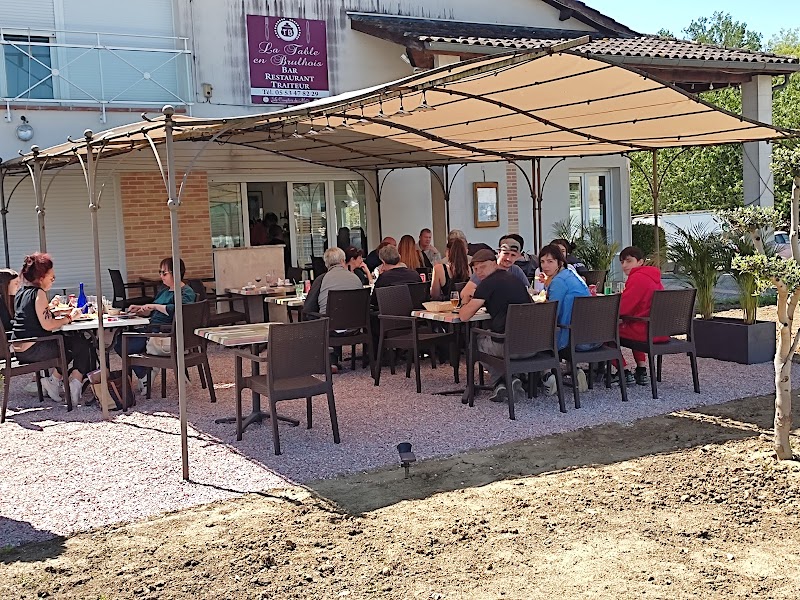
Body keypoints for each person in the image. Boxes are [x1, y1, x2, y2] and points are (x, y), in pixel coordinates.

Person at [11, 253, 91, 405]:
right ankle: (75, 383)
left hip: (20, 349)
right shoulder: (39, 293)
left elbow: (33, 316)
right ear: (41, 277)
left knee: (73, 342)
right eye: (52, 278)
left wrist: (59, 312)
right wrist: (70, 317)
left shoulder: (22, 292)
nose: (53, 281)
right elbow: (47, 325)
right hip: (35, 349)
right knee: (81, 344)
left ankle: (55, 382)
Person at [458, 249, 530, 404]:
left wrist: (465, 300)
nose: (478, 273)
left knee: (476, 342)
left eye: (482, 267)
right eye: (475, 269)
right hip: (533, 345)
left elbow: (464, 316)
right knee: (492, 334)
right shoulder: (515, 279)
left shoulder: (488, 284)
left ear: (494, 263)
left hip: (509, 346)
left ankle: (500, 383)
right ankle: (510, 379)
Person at [115, 257, 196, 388]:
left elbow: (179, 310)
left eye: (164, 273)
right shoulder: (164, 290)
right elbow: (153, 310)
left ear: (176, 272)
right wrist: (140, 310)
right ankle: (145, 374)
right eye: (160, 272)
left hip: (165, 334)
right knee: (119, 341)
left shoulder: (185, 292)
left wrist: (154, 306)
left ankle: (145, 374)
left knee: (123, 344)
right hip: (153, 329)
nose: (161, 276)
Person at [539, 244, 593, 394]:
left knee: (539, 335)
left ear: (559, 262)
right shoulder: (571, 274)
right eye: (542, 262)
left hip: (572, 338)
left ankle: (548, 376)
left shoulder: (558, 282)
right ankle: (574, 371)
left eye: (550, 261)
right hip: (590, 335)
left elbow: (551, 313)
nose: (545, 266)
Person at [616, 246, 667, 386]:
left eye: (628, 261)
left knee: (603, 332)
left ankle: (624, 371)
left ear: (640, 262)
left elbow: (623, 309)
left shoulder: (637, 278)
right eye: (622, 262)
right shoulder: (653, 277)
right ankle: (641, 369)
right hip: (659, 330)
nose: (624, 265)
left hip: (645, 331)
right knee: (632, 325)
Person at [460, 235, 529, 305]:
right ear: (498, 252)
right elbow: (464, 293)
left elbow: (529, 290)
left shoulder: (516, 270)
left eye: (513, 255)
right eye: (506, 254)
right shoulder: (486, 270)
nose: (508, 258)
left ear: (518, 256)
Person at [303, 247, 362, 316]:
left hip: (329, 323)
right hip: (356, 321)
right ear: (343, 261)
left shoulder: (321, 279)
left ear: (326, 264)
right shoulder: (355, 278)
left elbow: (308, 307)